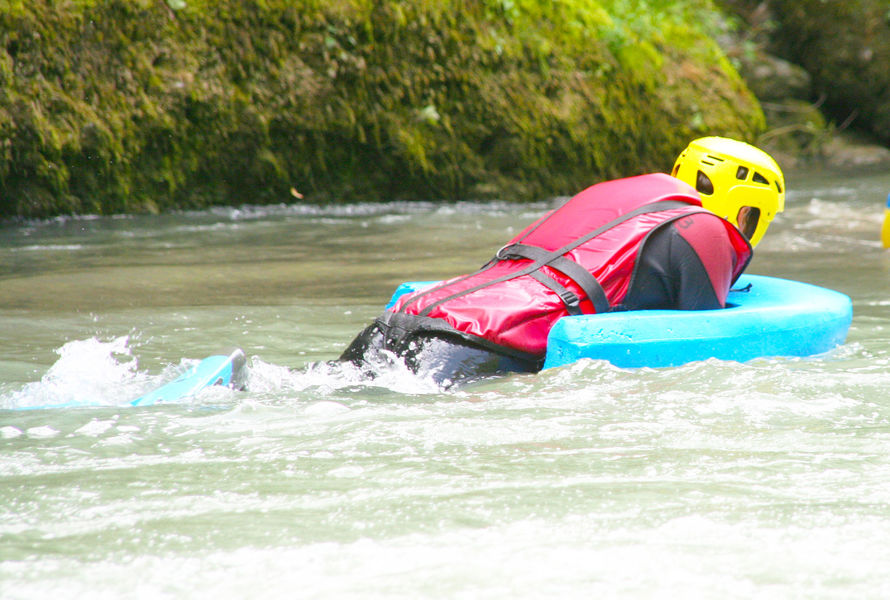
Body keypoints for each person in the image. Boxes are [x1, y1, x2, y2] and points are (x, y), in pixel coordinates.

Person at [340, 136, 786, 385]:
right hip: (472, 349)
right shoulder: (704, 228)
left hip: (402, 321)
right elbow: (705, 347)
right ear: (744, 206)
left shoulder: (613, 194)